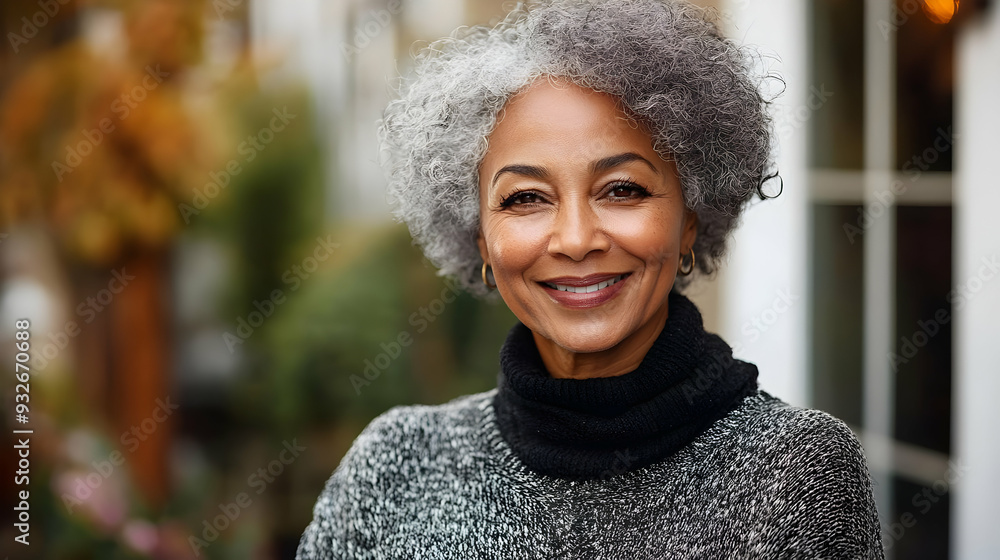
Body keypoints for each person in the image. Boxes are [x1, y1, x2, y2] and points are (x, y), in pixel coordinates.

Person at [297, 0, 884, 558]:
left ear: (689, 223)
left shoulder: (798, 475)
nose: (576, 239)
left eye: (622, 189)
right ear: (480, 239)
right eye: (525, 197)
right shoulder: (393, 465)